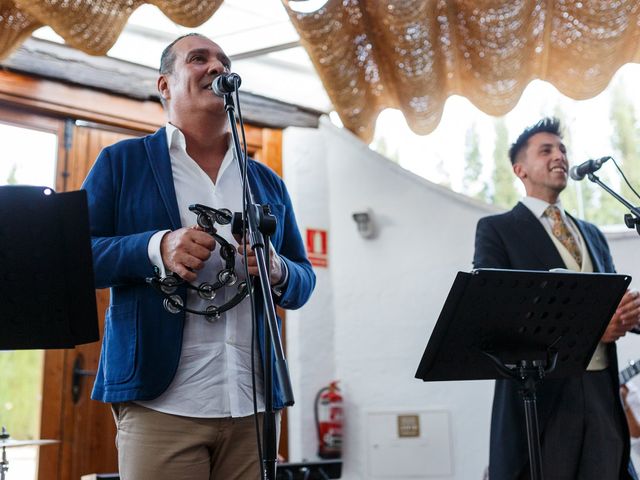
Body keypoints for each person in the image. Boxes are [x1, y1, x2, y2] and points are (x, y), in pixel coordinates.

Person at [82, 33, 316, 480]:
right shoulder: (121, 163)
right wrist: (157, 246)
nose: (216, 66)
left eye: (223, 61)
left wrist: (276, 269)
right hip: (161, 405)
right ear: (165, 85)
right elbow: (77, 259)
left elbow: (303, 279)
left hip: (256, 406)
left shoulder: (266, 182)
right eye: (198, 58)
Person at [473, 117, 640, 480]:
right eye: (545, 150)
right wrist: (593, 326)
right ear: (520, 170)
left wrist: (629, 313)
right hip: (543, 398)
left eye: (562, 149)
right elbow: (497, 311)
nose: (559, 156)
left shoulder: (592, 234)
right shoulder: (497, 230)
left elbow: (610, 304)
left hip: (601, 391)